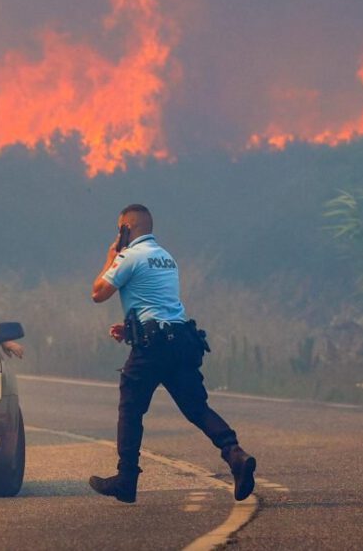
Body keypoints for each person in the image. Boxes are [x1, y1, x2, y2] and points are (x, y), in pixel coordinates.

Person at [88, 204, 255, 503]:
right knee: (197, 408)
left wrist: (110, 257)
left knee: (131, 408)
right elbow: (157, 304)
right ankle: (235, 454)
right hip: (181, 340)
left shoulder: (128, 256)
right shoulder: (166, 257)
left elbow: (98, 293)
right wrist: (131, 328)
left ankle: (126, 479)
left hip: (152, 348)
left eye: (119, 229)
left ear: (126, 228)